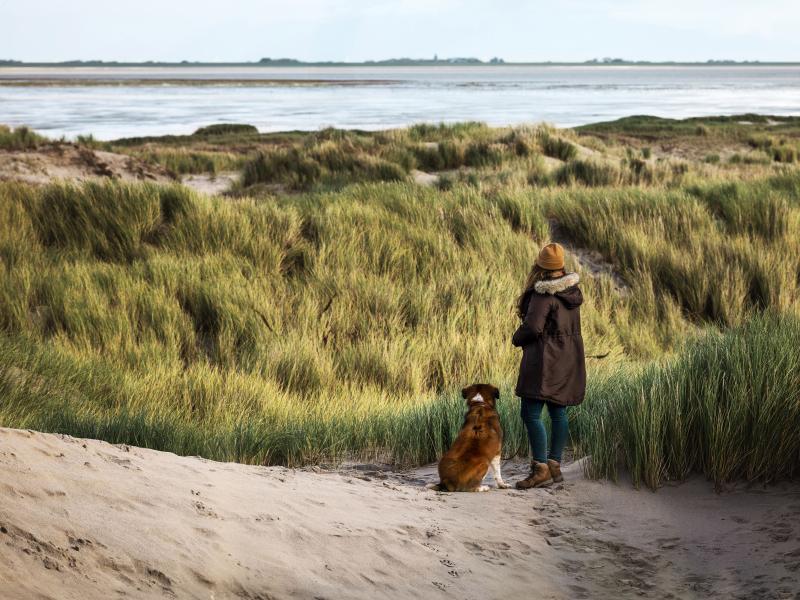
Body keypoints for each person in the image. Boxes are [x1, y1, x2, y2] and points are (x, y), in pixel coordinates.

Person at [511, 242, 586, 489]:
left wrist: (516, 338)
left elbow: (533, 328)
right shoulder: (572, 294)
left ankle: (540, 467)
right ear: (562, 266)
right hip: (567, 360)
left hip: (544, 362)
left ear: (541, 266)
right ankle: (554, 464)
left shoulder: (544, 294)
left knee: (530, 413)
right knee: (558, 412)